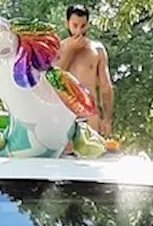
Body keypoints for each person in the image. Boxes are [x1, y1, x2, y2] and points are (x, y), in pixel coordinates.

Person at [57, 5, 114, 136]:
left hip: (90, 114)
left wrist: (107, 119)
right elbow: (54, 76)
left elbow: (106, 87)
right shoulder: (59, 48)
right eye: (75, 25)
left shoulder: (97, 49)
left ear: (87, 25)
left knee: (91, 152)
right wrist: (71, 51)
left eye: (82, 26)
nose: (78, 31)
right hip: (64, 113)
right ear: (67, 23)